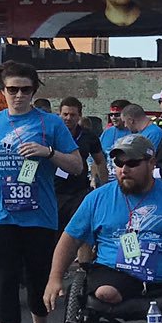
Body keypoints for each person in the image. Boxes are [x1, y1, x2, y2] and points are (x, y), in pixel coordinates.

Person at [0, 61, 84, 323]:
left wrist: (48, 153)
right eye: (12, 90)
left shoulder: (51, 123)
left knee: (37, 283)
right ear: (2, 91)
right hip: (0, 213)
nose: (19, 95)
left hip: (39, 216)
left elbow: (77, 166)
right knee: (5, 281)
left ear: (34, 91)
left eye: (25, 90)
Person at [45, 131, 162, 323]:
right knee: (105, 292)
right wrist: (55, 279)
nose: (124, 169)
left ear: (151, 163)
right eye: (119, 163)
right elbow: (71, 238)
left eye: (132, 163)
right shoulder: (97, 198)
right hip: (113, 273)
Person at [52, 95, 104, 230]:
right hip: (54, 191)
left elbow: (100, 161)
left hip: (79, 191)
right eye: (65, 114)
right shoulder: (51, 134)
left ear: (79, 116)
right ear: (59, 114)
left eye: (73, 115)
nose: (68, 118)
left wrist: (104, 188)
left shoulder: (88, 136)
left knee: (78, 231)